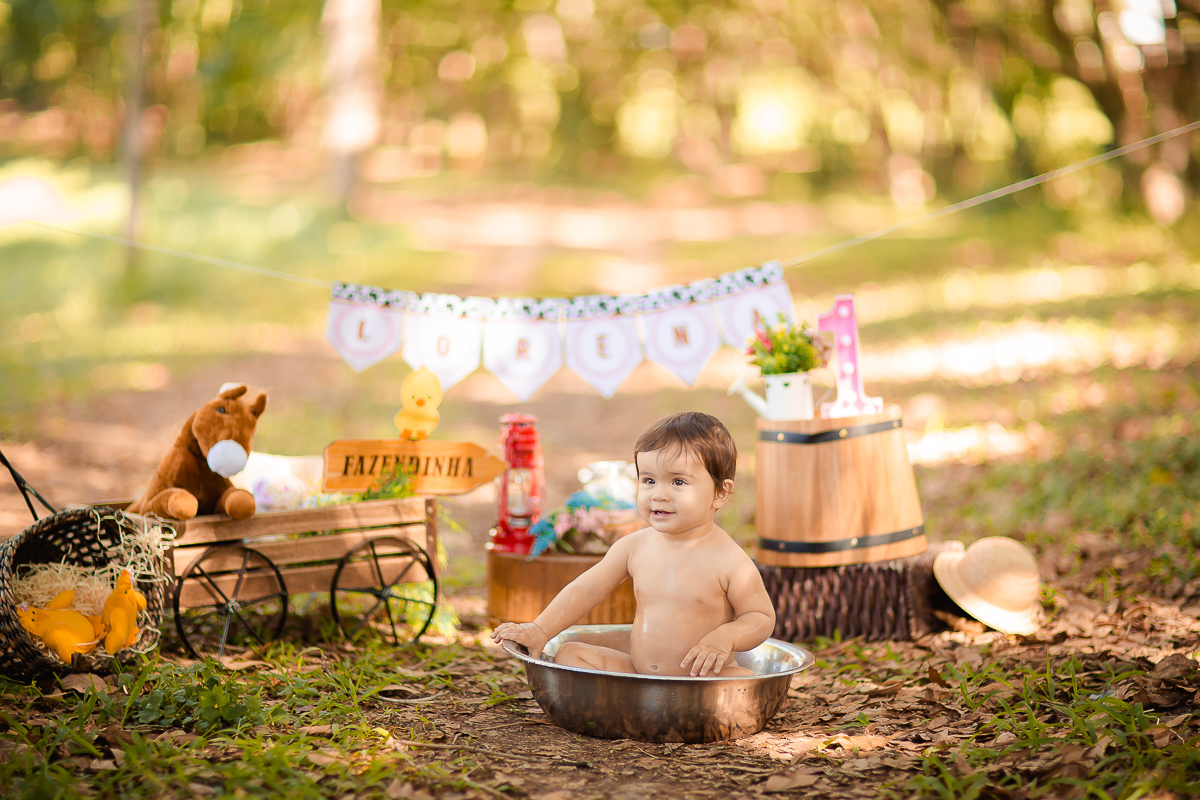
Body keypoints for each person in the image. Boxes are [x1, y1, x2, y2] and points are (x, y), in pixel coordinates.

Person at [491, 411, 776, 677]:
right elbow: (586, 589)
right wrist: (540, 629)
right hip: (638, 673)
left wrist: (725, 637)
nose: (658, 494)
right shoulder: (634, 547)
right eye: (649, 480)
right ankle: (629, 706)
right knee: (570, 654)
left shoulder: (730, 561)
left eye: (678, 482)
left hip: (703, 679)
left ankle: (684, 712)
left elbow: (760, 616)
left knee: (741, 680)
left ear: (720, 493)